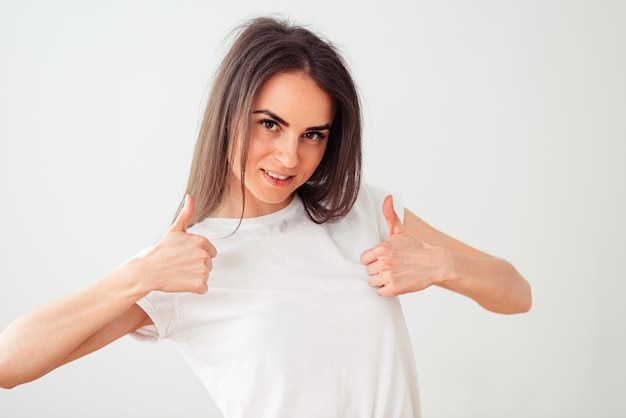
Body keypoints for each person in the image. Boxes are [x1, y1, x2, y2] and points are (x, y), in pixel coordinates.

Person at [0, 16, 531, 417]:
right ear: (229, 113)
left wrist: (440, 266)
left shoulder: (365, 211)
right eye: (270, 125)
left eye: (312, 135)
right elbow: (9, 363)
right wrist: (139, 276)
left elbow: (516, 292)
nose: (288, 158)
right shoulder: (185, 263)